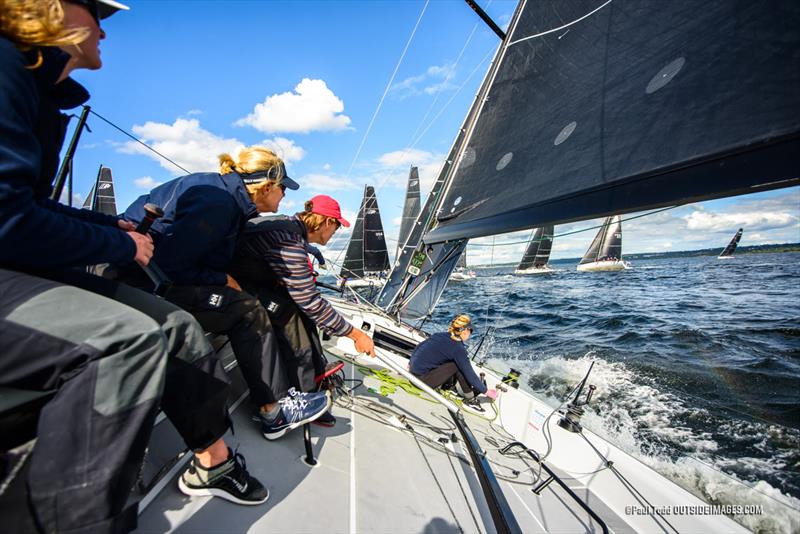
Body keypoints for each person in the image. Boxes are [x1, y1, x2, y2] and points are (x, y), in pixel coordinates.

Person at [0, 1, 268, 532]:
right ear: (45, 9)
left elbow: (29, 202)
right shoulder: (6, 69)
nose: (103, 27)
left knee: (176, 326)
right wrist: (124, 250)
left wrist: (107, 231)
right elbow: (6, 216)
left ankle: (212, 461)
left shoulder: (37, 92)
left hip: (21, 265)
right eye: (94, 11)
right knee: (130, 340)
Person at [119, 148, 331, 440]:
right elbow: (171, 264)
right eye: (283, 188)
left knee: (261, 304)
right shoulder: (218, 204)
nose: (284, 195)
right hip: (143, 283)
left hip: (151, 274)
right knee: (248, 310)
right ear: (266, 186)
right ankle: (274, 410)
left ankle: (289, 392)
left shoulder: (226, 197)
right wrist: (220, 277)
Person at [230, 195, 375, 427]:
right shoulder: (289, 241)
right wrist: (356, 335)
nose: (335, 232)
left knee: (297, 312)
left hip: (248, 280)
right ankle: (303, 395)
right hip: (231, 284)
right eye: (336, 227)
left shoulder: (290, 228)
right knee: (289, 316)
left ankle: (314, 377)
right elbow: (311, 302)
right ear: (327, 222)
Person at [409, 315, 497, 412]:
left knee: (450, 360)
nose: (470, 334)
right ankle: (471, 400)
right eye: (470, 331)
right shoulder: (458, 349)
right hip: (421, 383)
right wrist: (486, 391)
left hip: (411, 374)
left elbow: (418, 347)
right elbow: (469, 374)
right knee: (456, 365)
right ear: (464, 332)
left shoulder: (438, 335)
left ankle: (449, 386)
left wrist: (410, 364)